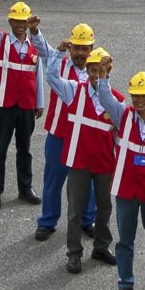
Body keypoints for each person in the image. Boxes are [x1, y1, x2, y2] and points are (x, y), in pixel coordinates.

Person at [88, 70, 145, 290]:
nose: (138, 100)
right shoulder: (122, 115)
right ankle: (125, 284)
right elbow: (105, 98)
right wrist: (104, 75)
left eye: (144, 95)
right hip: (126, 189)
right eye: (134, 95)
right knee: (125, 239)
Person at [41, 42, 120, 274]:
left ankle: (101, 247)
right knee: (75, 211)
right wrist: (57, 52)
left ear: (108, 72)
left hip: (104, 163)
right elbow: (52, 78)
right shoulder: (75, 89)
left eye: (101, 71)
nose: (96, 75)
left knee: (104, 209)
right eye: (93, 70)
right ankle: (74, 253)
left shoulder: (116, 100)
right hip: (78, 161)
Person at [34, 23, 105, 246]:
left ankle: (87, 219)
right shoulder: (59, 64)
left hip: (84, 137)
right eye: (77, 48)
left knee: (88, 182)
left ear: (92, 48)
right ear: (70, 46)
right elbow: (45, 56)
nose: (81, 54)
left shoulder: (96, 72)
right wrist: (49, 43)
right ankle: (47, 220)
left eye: (85, 49)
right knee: (53, 180)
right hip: (59, 133)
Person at [0, 0, 43, 210]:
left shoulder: (35, 47)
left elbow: (38, 76)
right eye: (16, 21)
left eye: (24, 21)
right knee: (0, 149)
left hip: (26, 105)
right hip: (4, 104)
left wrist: (39, 103)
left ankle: (25, 187)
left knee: (25, 149)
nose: (21, 25)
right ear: (10, 22)